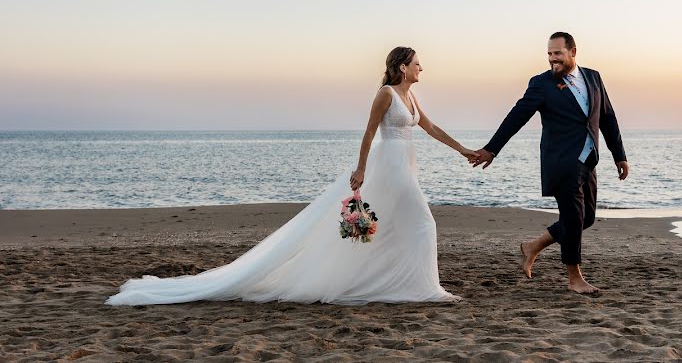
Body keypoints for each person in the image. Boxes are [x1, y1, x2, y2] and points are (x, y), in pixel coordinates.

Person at [106, 46, 473, 306]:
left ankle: (397, 283)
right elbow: (368, 132)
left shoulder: (411, 98)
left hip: (406, 163)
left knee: (397, 228)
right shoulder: (387, 93)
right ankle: (426, 289)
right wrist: (360, 168)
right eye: (417, 64)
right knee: (424, 224)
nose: (421, 68)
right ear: (401, 67)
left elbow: (432, 128)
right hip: (389, 165)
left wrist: (465, 151)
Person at [471, 32, 629, 294]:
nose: (552, 59)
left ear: (573, 52)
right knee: (574, 217)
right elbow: (517, 117)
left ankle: (533, 246)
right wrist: (492, 149)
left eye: (557, 53)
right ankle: (575, 277)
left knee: (586, 217)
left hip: (588, 160)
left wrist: (619, 155)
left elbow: (607, 118)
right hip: (561, 162)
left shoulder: (593, 77)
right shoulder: (541, 84)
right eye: (549, 54)